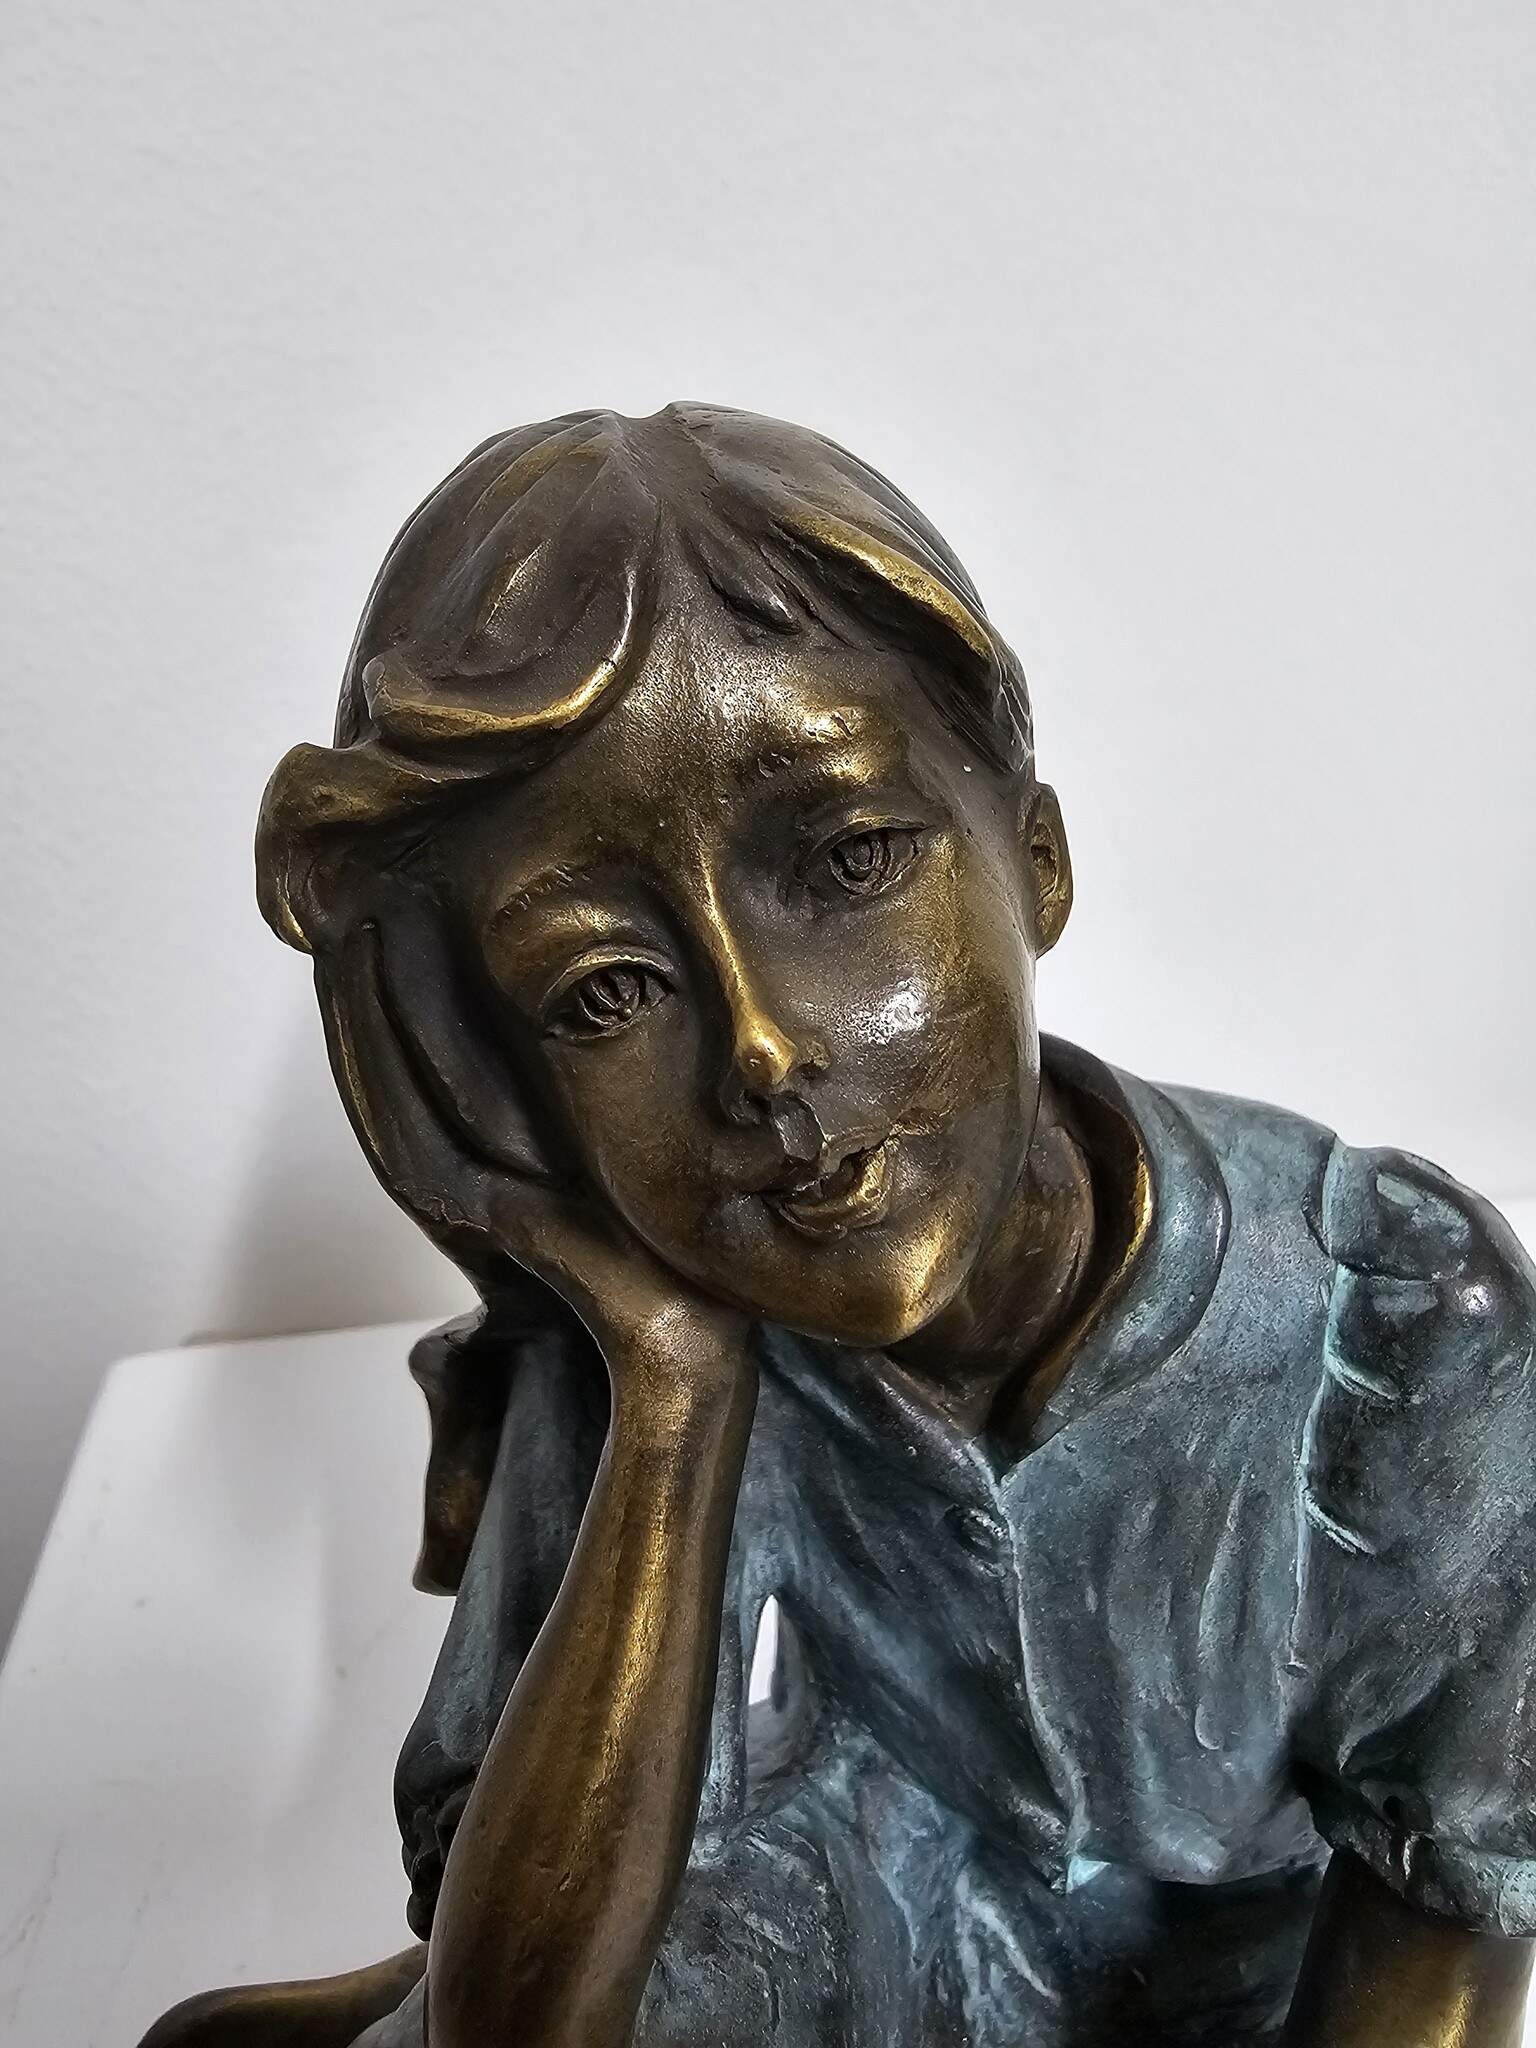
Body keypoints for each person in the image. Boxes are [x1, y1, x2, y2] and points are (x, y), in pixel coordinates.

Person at [143, 406, 1536, 2047]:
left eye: (852, 858)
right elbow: (515, 2020)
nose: (759, 1046)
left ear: (1036, 856)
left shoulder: (1387, 1319)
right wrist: (673, 1396)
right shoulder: (626, 1349)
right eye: (606, 992)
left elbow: (1449, 1928)